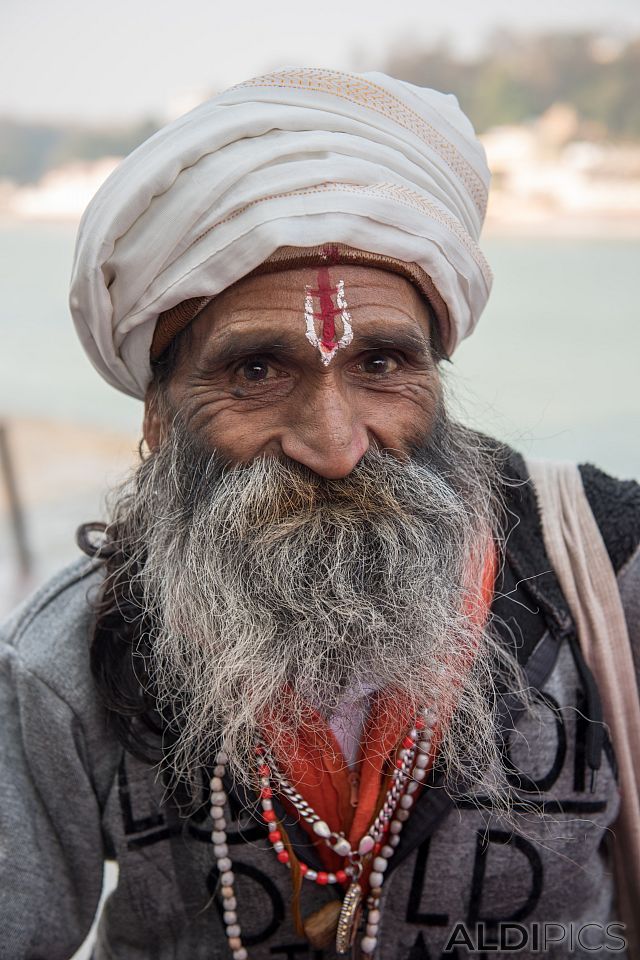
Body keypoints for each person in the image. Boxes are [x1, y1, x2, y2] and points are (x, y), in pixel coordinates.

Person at [1, 67, 639, 960]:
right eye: (257, 372)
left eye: (381, 364)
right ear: (157, 416)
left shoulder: (607, 572)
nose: (336, 445)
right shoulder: (71, 656)